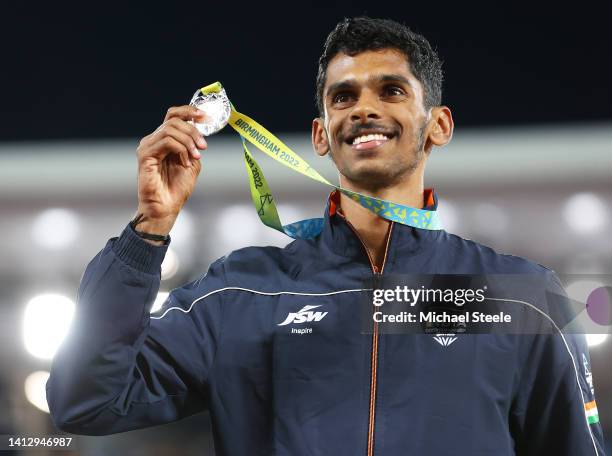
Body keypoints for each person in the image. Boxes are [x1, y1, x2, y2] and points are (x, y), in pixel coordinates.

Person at [46, 17, 606, 455]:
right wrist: (148, 233)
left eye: (391, 91)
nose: (363, 108)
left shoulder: (521, 297)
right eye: (343, 97)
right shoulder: (239, 294)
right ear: (320, 135)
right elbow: (86, 401)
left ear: (438, 124)